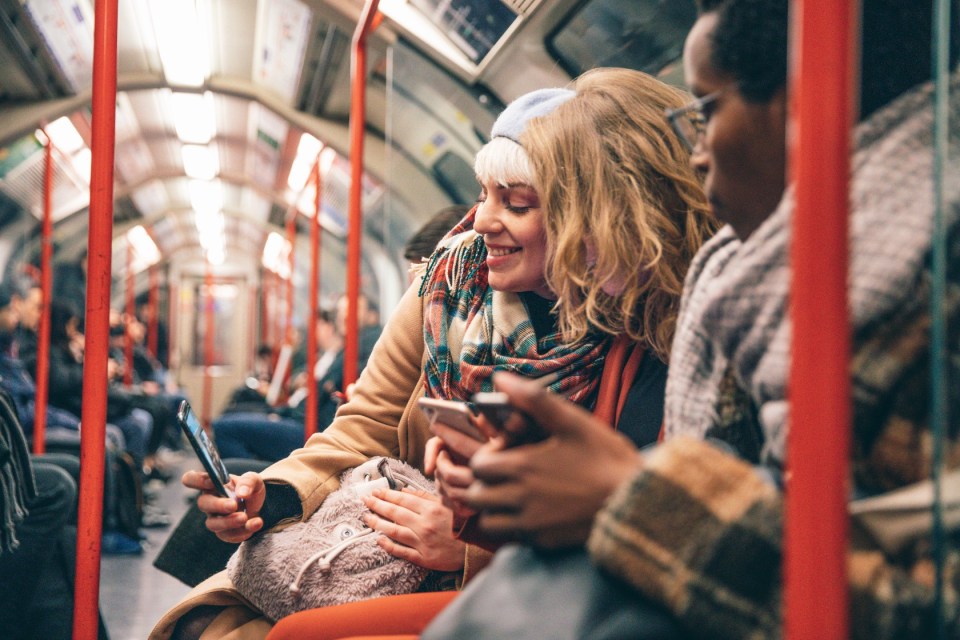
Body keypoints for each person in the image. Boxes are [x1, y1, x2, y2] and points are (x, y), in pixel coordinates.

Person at [434, 0, 960, 638]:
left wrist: (630, 499)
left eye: (707, 113)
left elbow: (923, 613)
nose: (699, 153)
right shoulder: (740, 289)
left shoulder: (927, 302)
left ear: (799, 108)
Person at [153, 72, 714, 640]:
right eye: (483, 194)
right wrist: (270, 496)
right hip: (397, 542)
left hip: (498, 573)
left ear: (582, 218)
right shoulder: (450, 283)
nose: (483, 221)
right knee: (204, 624)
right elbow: (363, 426)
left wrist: (470, 549)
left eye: (516, 204)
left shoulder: (638, 335)